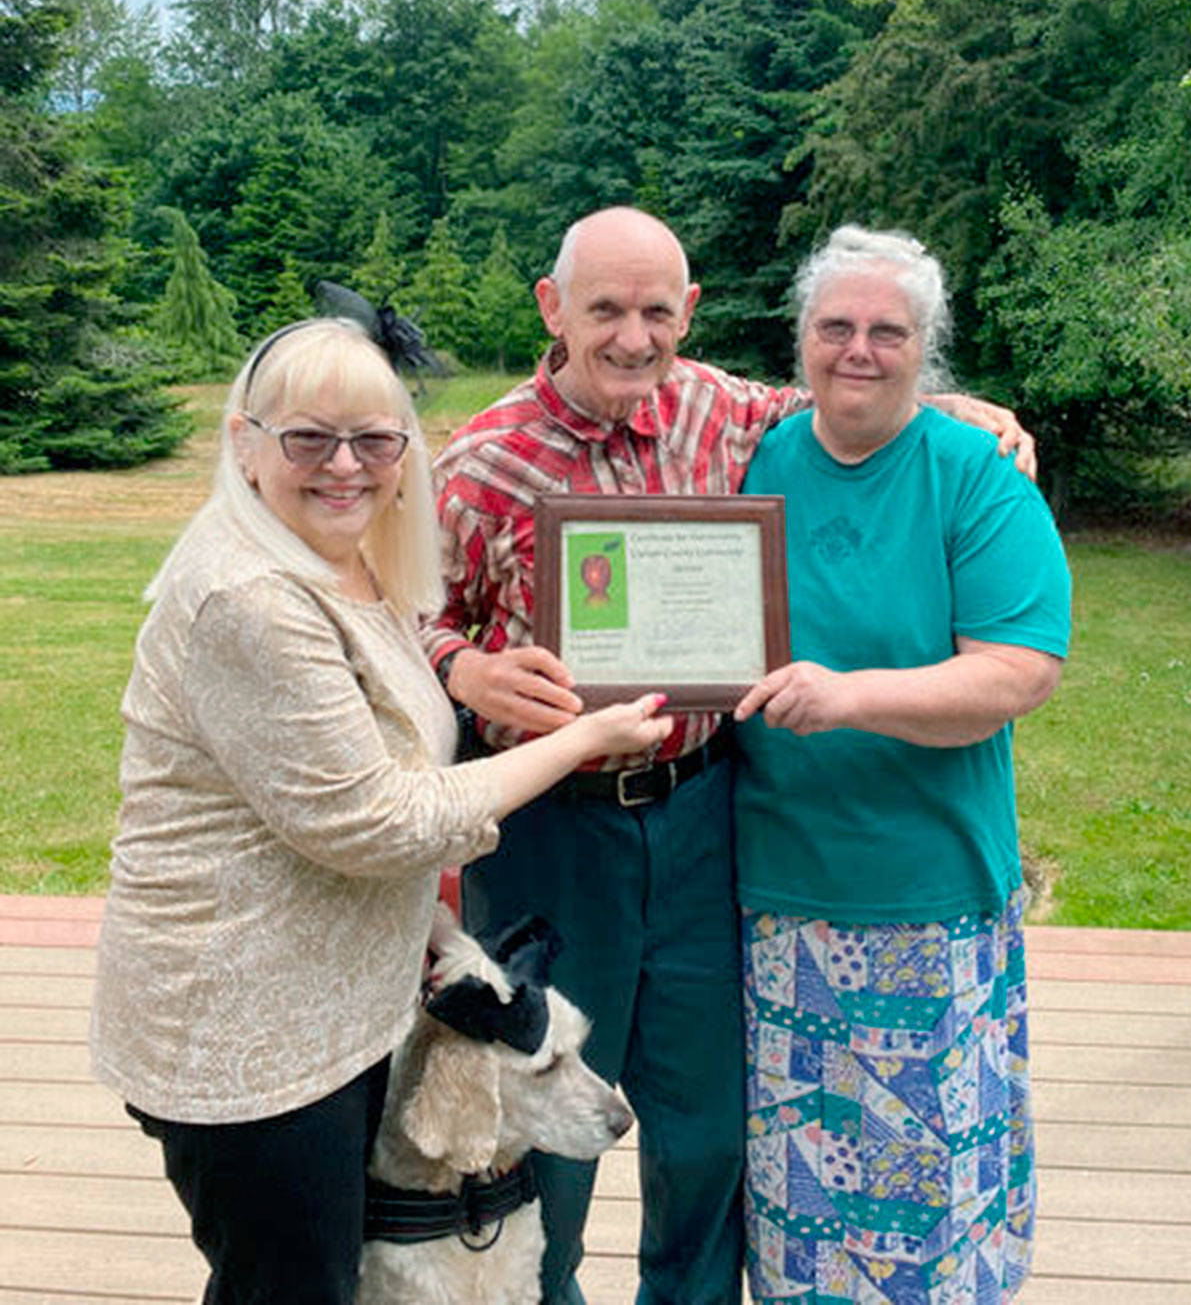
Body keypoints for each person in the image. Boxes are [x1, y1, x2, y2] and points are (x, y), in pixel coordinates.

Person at [421, 206, 1037, 1305]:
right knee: (543, 1119)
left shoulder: (722, 410)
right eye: (603, 309)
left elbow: (851, 387)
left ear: (687, 314)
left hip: (704, 820)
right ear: (552, 308)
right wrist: (460, 666)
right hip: (551, 830)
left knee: (706, 1134)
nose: (630, 336)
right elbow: (393, 614)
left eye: (656, 311)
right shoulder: (479, 461)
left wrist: (956, 408)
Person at [89, 315, 672, 1305]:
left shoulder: (342, 559)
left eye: (374, 438)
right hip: (245, 1036)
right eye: (308, 438)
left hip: (329, 1002)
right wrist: (577, 741)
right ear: (245, 442)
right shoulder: (249, 597)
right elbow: (379, 822)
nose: (345, 465)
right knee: (290, 1285)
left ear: (405, 450)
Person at [732, 225, 1071, 1303]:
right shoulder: (752, 459)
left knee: (927, 1212)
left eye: (889, 330)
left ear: (926, 348)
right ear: (801, 340)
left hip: (927, 902)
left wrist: (846, 699)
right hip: (774, 900)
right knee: (800, 1216)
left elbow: (1017, 672)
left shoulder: (975, 474)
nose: (858, 350)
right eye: (835, 326)